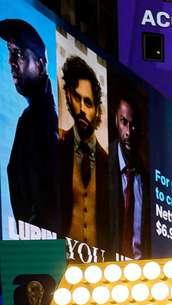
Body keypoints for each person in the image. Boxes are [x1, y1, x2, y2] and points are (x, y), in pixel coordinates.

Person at [0, 19, 59, 231]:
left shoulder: (41, 121)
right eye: (10, 53)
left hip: (40, 254)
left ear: (41, 65)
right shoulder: (32, 118)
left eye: (19, 54)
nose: (11, 62)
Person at [55, 55, 109, 247]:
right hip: (61, 261)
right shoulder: (58, 148)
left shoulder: (108, 164)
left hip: (101, 268)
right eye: (78, 98)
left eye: (89, 103)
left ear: (97, 110)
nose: (82, 109)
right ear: (69, 96)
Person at [107, 86, 148, 259]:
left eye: (134, 126)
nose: (128, 132)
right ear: (116, 120)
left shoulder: (148, 179)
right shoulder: (102, 162)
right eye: (124, 122)